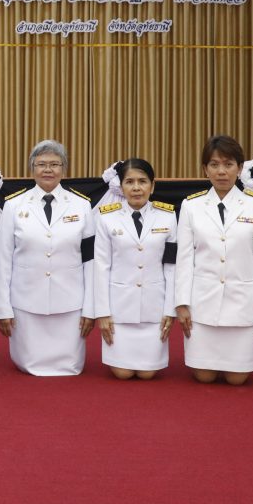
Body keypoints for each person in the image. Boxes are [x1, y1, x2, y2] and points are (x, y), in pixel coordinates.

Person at [175, 135, 253, 385]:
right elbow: (184, 259)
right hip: (203, 302)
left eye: (228, 164)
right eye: (214, 164)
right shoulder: (191, 206)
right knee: (204, 376)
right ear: (205, 169)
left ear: (240, 168)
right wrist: (181, 303)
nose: (221, 171)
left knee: (237, 379)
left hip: (243, 304)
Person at [0, 140, 95, 376]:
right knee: (28, 363)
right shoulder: (14, 205)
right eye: (41, 164)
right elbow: (3, 262)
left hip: (69, 302)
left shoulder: (81, 206)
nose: (48, 170)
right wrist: (3, 309)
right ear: (32, 168)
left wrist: (90, 308)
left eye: (55, 164)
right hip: (27, 300)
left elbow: (90, 262)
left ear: (64, 168)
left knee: (69, 365)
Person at [93, 158, 178, 380]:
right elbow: (101, 267)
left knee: (148, 374)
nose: (137, 187)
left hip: (154, 308)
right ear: (121, 187)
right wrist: (102, 312)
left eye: (143, 181)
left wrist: (170, 310)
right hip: (119, 309)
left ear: (153, 185)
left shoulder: (168, 217)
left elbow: (171, 267)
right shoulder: (106, 218)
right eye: (129, 181)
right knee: (122, 373)